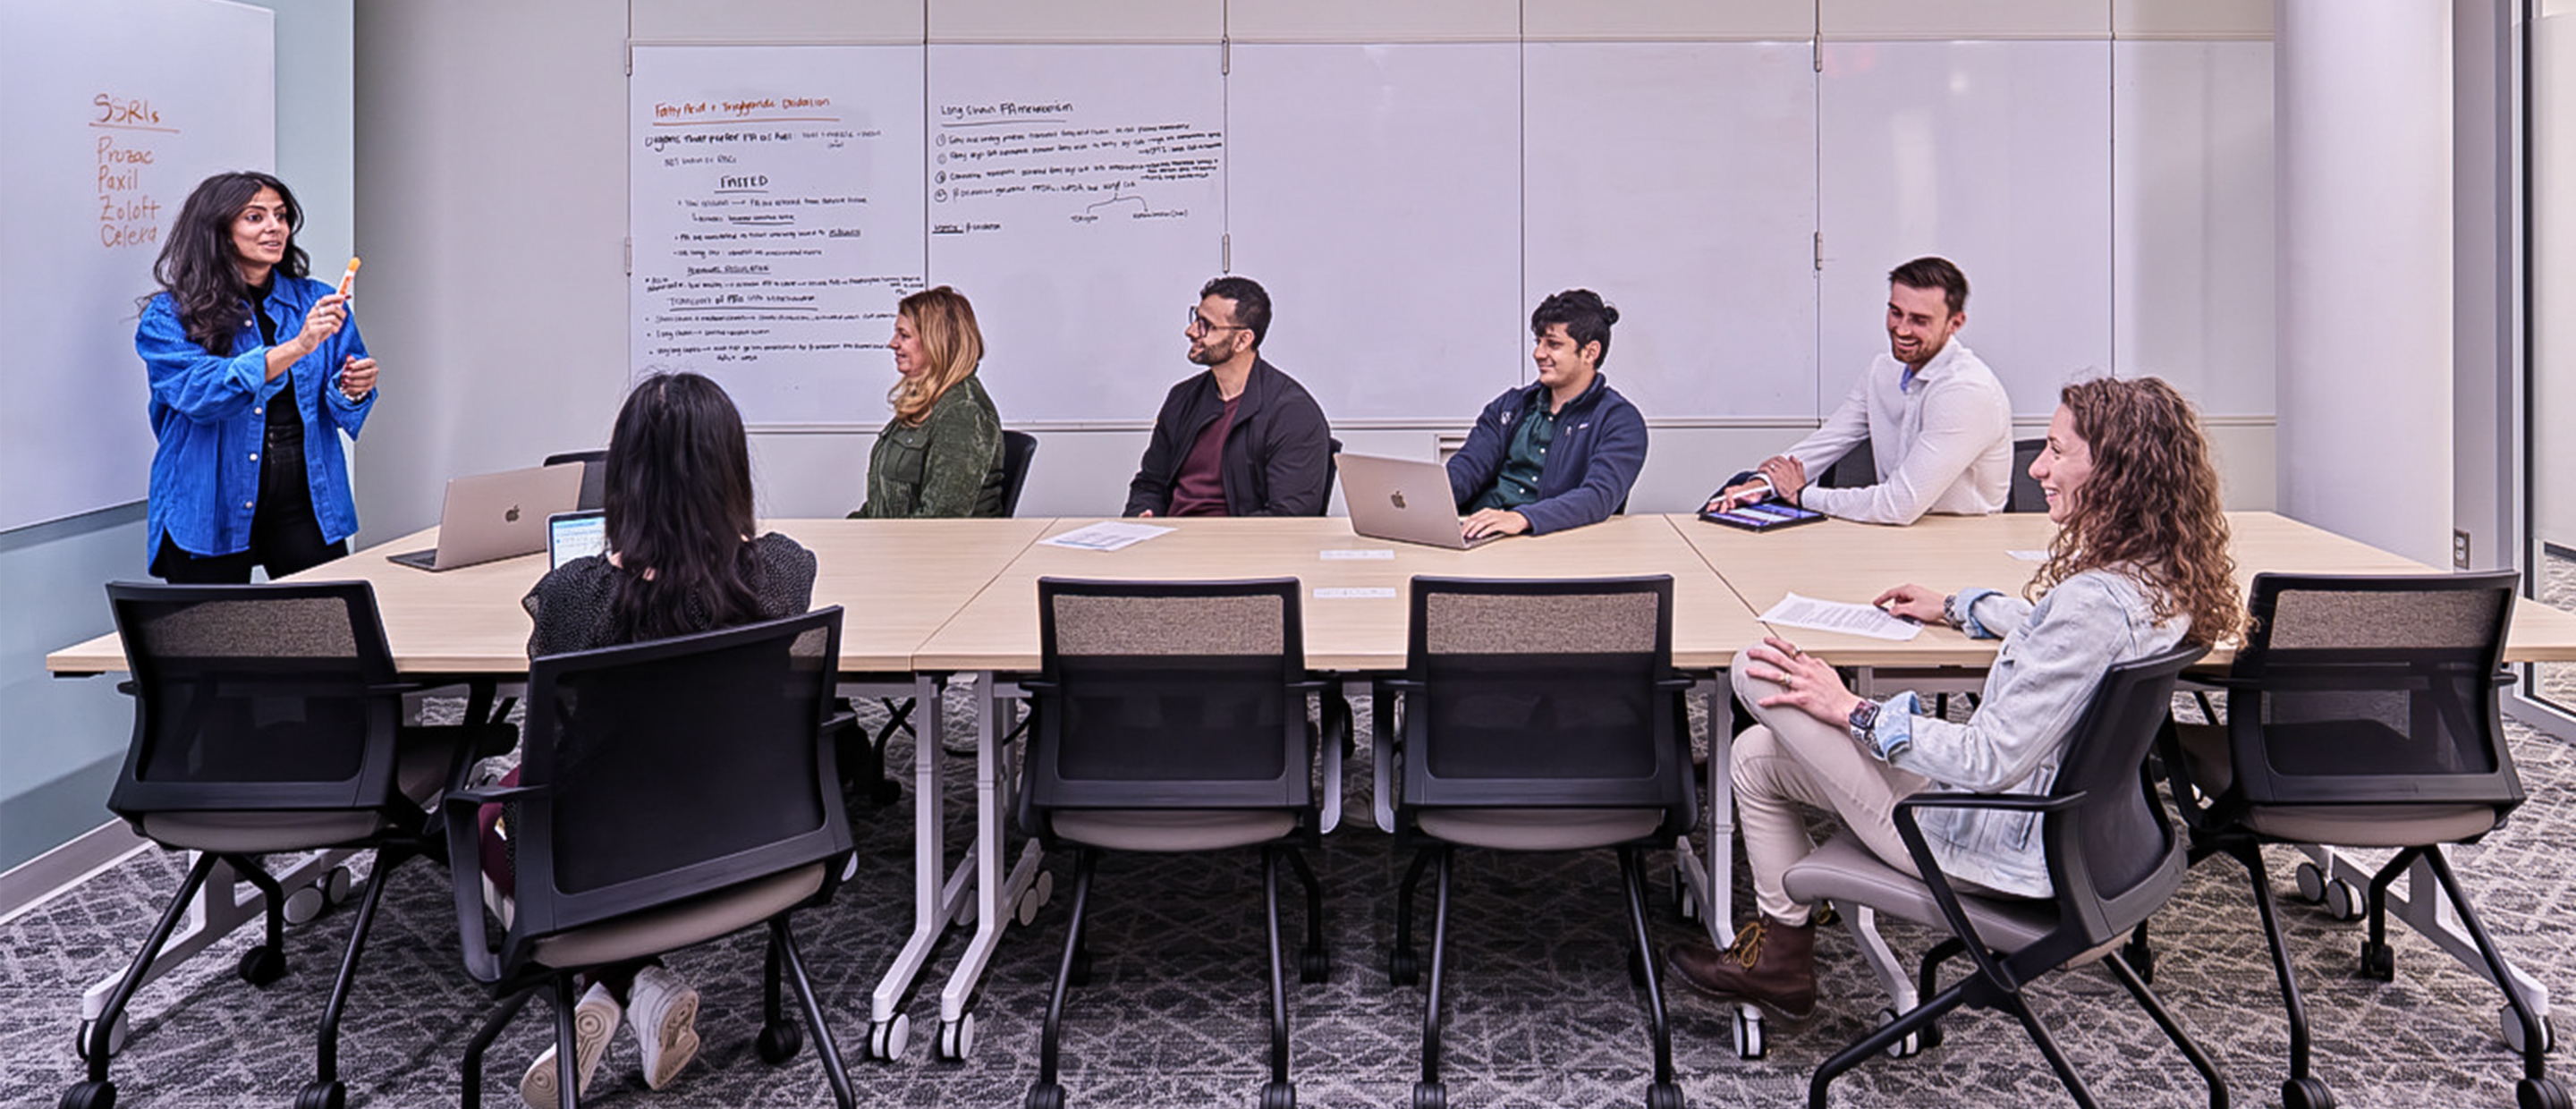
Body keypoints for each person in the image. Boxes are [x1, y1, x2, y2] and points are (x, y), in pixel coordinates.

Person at [1667, 375, 2241, 1025]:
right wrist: (1961, 607)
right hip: (2085, 839)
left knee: (1757, 670)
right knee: (1754, 754)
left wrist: (1850, 708)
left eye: (2056, 450)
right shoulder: (2156, 578)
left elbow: (1987, 759)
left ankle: (1782, 956)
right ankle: (1782, 957)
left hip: (1983, 840)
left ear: (2114, 469)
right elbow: (2066, 648)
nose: (2038, 466)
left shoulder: (2094, 604)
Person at [487, 372, 818, 1108]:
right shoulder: (785, 572)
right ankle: (639, 989)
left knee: (492, 804)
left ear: (622, 477)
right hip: (751, 834)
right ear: (731, 469)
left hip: (608, 854)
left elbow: (552, 717)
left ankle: (625, 977)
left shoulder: (572, 596)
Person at [137, 171, 378, 581]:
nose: (275, 228)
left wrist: (353, 387)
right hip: (208, 498)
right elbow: (200, 393)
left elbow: (342, 392)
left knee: (323, 630)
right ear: (219, 230)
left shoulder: (317, 299)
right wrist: (297, 347)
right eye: (255, 217)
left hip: (303, 495)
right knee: (214, 636)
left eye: (281, 216)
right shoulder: (169, 315)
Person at [1707, 257, 2011, 524]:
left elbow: (1899, 504)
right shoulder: (1883, 371)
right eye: (1895, 312)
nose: (1902, 329)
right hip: (1890, 536)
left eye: (1919, 320)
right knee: (1740, 485)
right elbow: (1826, 443)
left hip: (1960, 547)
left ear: (1955, 323)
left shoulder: (1966, 390)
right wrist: (1761, 485)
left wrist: (1801, 496)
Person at [1446, 289, 1647, 540]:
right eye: (1538, 342)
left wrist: (1523, 518)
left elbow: (1597, 498)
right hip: (1480, 534)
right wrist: (1428, 503)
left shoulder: (1620, 421)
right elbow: (1467, 468)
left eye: (1553, 344)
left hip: (1549, 542)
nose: (1538, 353)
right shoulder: (1511, 405)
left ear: (1590, 352)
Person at [1124, 275, 1333, 517]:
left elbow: (1289, 516)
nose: (1191, 331)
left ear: (1243, 340)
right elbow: (1150, 483)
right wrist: (1142, 516)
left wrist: (1211, 541)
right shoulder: (1182, 398)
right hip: (1171, 544)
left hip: (1238, 549)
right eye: (1195, 318)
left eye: (1206, 325)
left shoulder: (1292, 413)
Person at [852, 285, 1009, 518]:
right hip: (895, 543)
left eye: (904, 335)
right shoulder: (923, 403)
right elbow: (881, 503)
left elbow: (940, 520)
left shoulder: (963, 412)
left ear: (936, 342)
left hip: (932, 550)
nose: (892, 343)